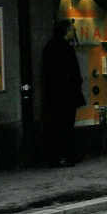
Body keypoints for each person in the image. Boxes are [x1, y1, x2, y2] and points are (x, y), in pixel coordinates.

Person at [41, 19, 85, 167]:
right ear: (66, 31)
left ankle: (57, 157)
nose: (74, 32)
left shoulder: (49, 47)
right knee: (66, 125)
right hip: (66, 94)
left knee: (56, 125)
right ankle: (66, 155)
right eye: (72, 29)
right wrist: (76, 85)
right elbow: (72, 72)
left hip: (54, 95)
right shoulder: (65, 48)